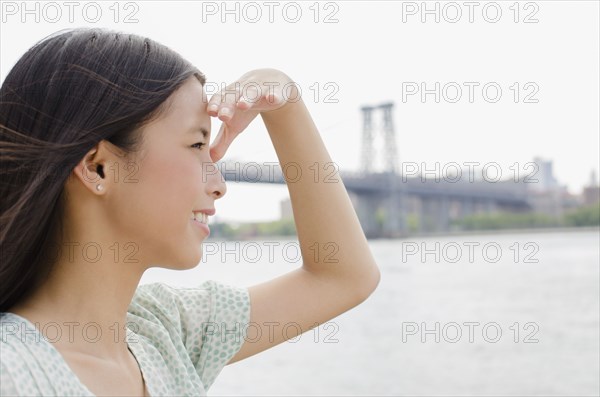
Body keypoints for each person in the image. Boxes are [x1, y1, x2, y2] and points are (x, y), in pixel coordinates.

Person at [0, 28, 381, 396]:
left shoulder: (162, 334)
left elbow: (343, 276)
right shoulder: (12, 372)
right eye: (198, 143)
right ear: (99, 167)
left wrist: (284, 104)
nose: (219, 185)